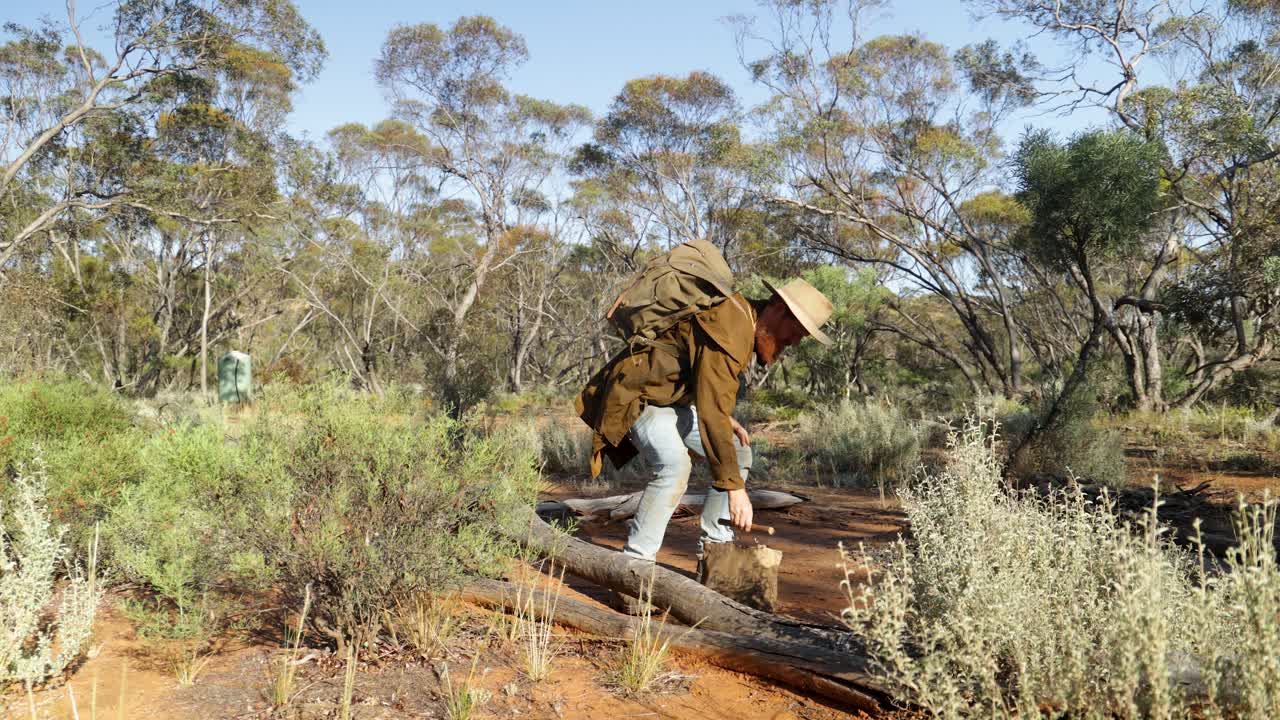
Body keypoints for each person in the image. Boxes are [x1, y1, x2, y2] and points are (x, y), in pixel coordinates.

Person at [576, 277, 833, 574]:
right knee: (675, 467)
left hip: (673, 402)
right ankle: (635, 567)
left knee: (738, 451)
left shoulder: (744, 321)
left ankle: (717, 553)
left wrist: (726, 417)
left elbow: (706, 384)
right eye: (796, 331)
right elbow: (712, 412)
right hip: (642, 398)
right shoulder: (731, 326)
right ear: (777, 308)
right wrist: (735, 489)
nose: (794, 341)